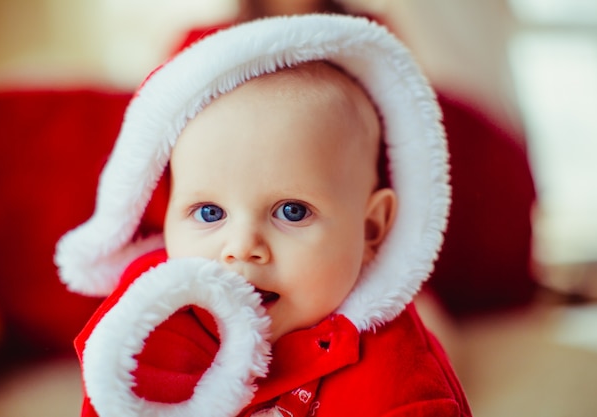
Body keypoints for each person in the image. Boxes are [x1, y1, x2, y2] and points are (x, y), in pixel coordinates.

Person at [56, 14, 471, 416]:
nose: (241, 247)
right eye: (209, 212)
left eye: (291, 211)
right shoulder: (140, 332)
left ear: (371, 229)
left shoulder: (400, 381)